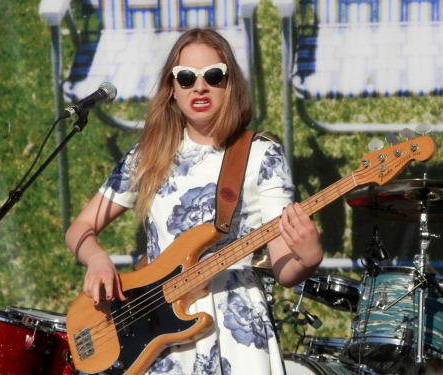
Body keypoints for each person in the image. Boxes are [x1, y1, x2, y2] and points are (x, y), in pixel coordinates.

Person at [65, 28, 323, 374]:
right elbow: (80, 228)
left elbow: (284, 268)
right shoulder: (147, 155)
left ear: (230, 84)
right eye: (186, 78)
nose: (199, 87)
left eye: (213, 76)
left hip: (236, 334)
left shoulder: (262, 155)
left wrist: (308, 256)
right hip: (158, 337)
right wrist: (96, 259)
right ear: (172, 89)